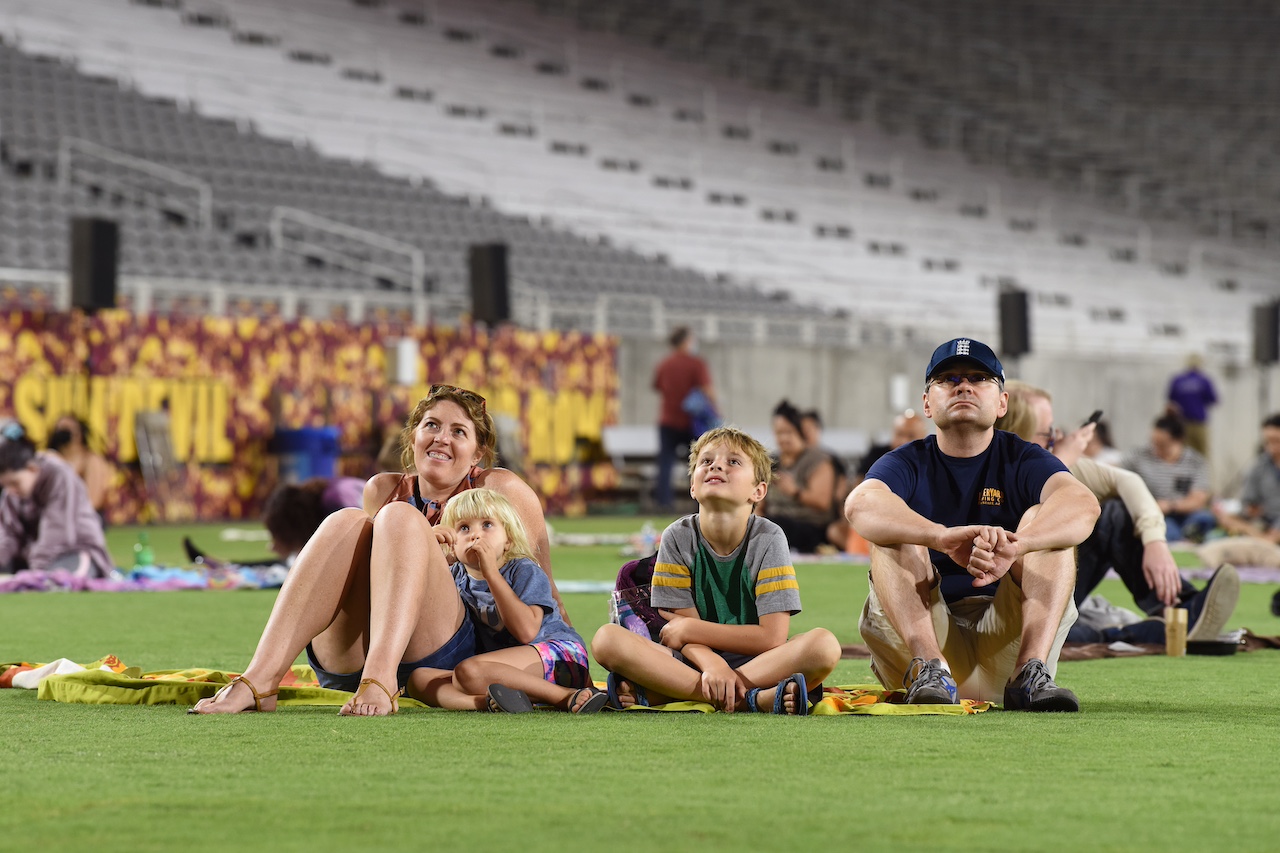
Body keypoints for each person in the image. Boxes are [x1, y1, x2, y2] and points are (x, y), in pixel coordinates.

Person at [190, 384, 567, 716]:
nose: (441, 438)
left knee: (400, 518)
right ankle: (260, 679)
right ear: (413, 437)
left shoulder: (500, 488)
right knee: (347, 519)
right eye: (431, 425)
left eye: (458, 431)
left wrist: (555, 674)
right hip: (352, 657)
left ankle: (381, 679)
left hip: (442, 659)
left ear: (477, 454)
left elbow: (544, 594)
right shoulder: (381, 488)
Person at [845, 338, 1100, 711]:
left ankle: (1031, 672)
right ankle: (930, 667)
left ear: (1002, 403)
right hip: (925, 648)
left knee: (1042, 523)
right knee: (891, 530)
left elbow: (1083, 505)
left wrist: (1020, 545)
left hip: (1006, 647)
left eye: (979, 378)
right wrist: (940, 537)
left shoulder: (1023, 458)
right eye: (948, 379)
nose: (963, 385)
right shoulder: (906, 462)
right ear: (927, 403)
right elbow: (860, 506)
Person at [591, 426, 841, 715]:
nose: (717, 465)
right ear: (693, 486)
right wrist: (713, 664)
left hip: (759, 660)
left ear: (758, 491)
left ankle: (672, 692)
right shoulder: (677, 536)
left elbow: (771, 638)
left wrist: (690, 629)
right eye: (706, 461)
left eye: (733, 461)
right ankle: (753, 699)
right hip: (695, 661)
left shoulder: (769, 537)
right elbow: (682, 639)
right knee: (607, 640)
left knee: (823, 645)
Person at [998, 382, 1239, 643]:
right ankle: (1153, 632)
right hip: (1007, 602)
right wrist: (1061, 463)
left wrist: (1154, 541)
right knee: (1064, 632)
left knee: (1113, 513)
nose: (1056, 440)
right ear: (1018, 433)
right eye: (1048, 434)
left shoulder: (1193, 461)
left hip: (1048, 587)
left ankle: (1182, 609)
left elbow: (1128, 482)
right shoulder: (990, 465)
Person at [437, 488, 606, 714]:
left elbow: (527, 632)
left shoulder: (523, 570)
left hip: (559, 655)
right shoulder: (454, 575)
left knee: (468, 672)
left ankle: (565, 696)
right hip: (504, 668)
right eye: (464, 528)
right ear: (452, 544)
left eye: (487, 525)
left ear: (508, 540)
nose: (475, 535)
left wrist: (491, 574)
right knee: (420, 679)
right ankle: (491, 702)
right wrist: (429, 547)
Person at [0, 420, 114, 578]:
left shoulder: (58, 475)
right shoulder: (12, 492)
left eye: (14, 483)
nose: (10, 490)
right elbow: (7, 534)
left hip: (75, 551)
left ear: (32, 468)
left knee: (59, 579)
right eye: (5, 485)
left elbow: (57, 531)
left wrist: (35, 573)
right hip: (35, 559)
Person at [184, 476, 367, 567]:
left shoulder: (336, 502)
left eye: (276, 537)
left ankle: (221, 564)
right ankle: (220, 563)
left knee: (303, 567)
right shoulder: (333, 495)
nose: (273, 546)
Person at [1120, 414, 1216, 542]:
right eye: (1154, 443)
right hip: (1152, 513)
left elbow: (1198, 499)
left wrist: (1170, 506)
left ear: (1179, 440)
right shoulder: (1138, 457)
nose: (1156, 449)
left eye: (1163, 445)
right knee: (1167, 529)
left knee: (1205, 518)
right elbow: (1117, 475)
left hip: (1184, 513)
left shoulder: (1195, 461)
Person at [758, 400, 837, 553]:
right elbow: (759, 504)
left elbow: (823, 503)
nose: (783, 438)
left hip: (808, 527)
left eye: (788, 432)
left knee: (777, 527)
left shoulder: (818, 461)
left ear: (800, 432)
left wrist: (795, 491)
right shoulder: (770, 462)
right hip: (773, 522)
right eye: (779, 433)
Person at [652, 326, 715, 511]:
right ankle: (700, 501)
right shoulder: (696, 363)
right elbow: (707, 389)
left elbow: (658, 386)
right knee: (700, 461)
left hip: (668, 420)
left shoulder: (664, 364)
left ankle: (663, 502)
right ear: (686, 341)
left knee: (665, 463)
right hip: (692, 423)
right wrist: (715, 411)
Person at [1214, 413, 1280, 544]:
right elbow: (1248, 502)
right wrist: (1250, 509)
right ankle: (1265, 540)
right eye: (1268, 441)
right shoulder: (1259, 466)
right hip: (1265, 521)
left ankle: (1267, 540)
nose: (1271, 446)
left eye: (1276, 440)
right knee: (1225, 518)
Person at [46, 414, 113, 520]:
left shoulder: (90, 460)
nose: (63, 435)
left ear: (79, 434)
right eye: (59, 430)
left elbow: (94, 500)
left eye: (67, 431)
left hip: (85, 518)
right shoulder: (50, 459)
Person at [1166, 353, 1217, 457]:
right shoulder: (1204, 380)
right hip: (1199, 422)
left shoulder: (1178, 380)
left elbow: (1171, 400)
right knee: (1202, 454)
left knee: (1182, 454)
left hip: (1182, 423)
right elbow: (1213, 399)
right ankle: (1202, 473)